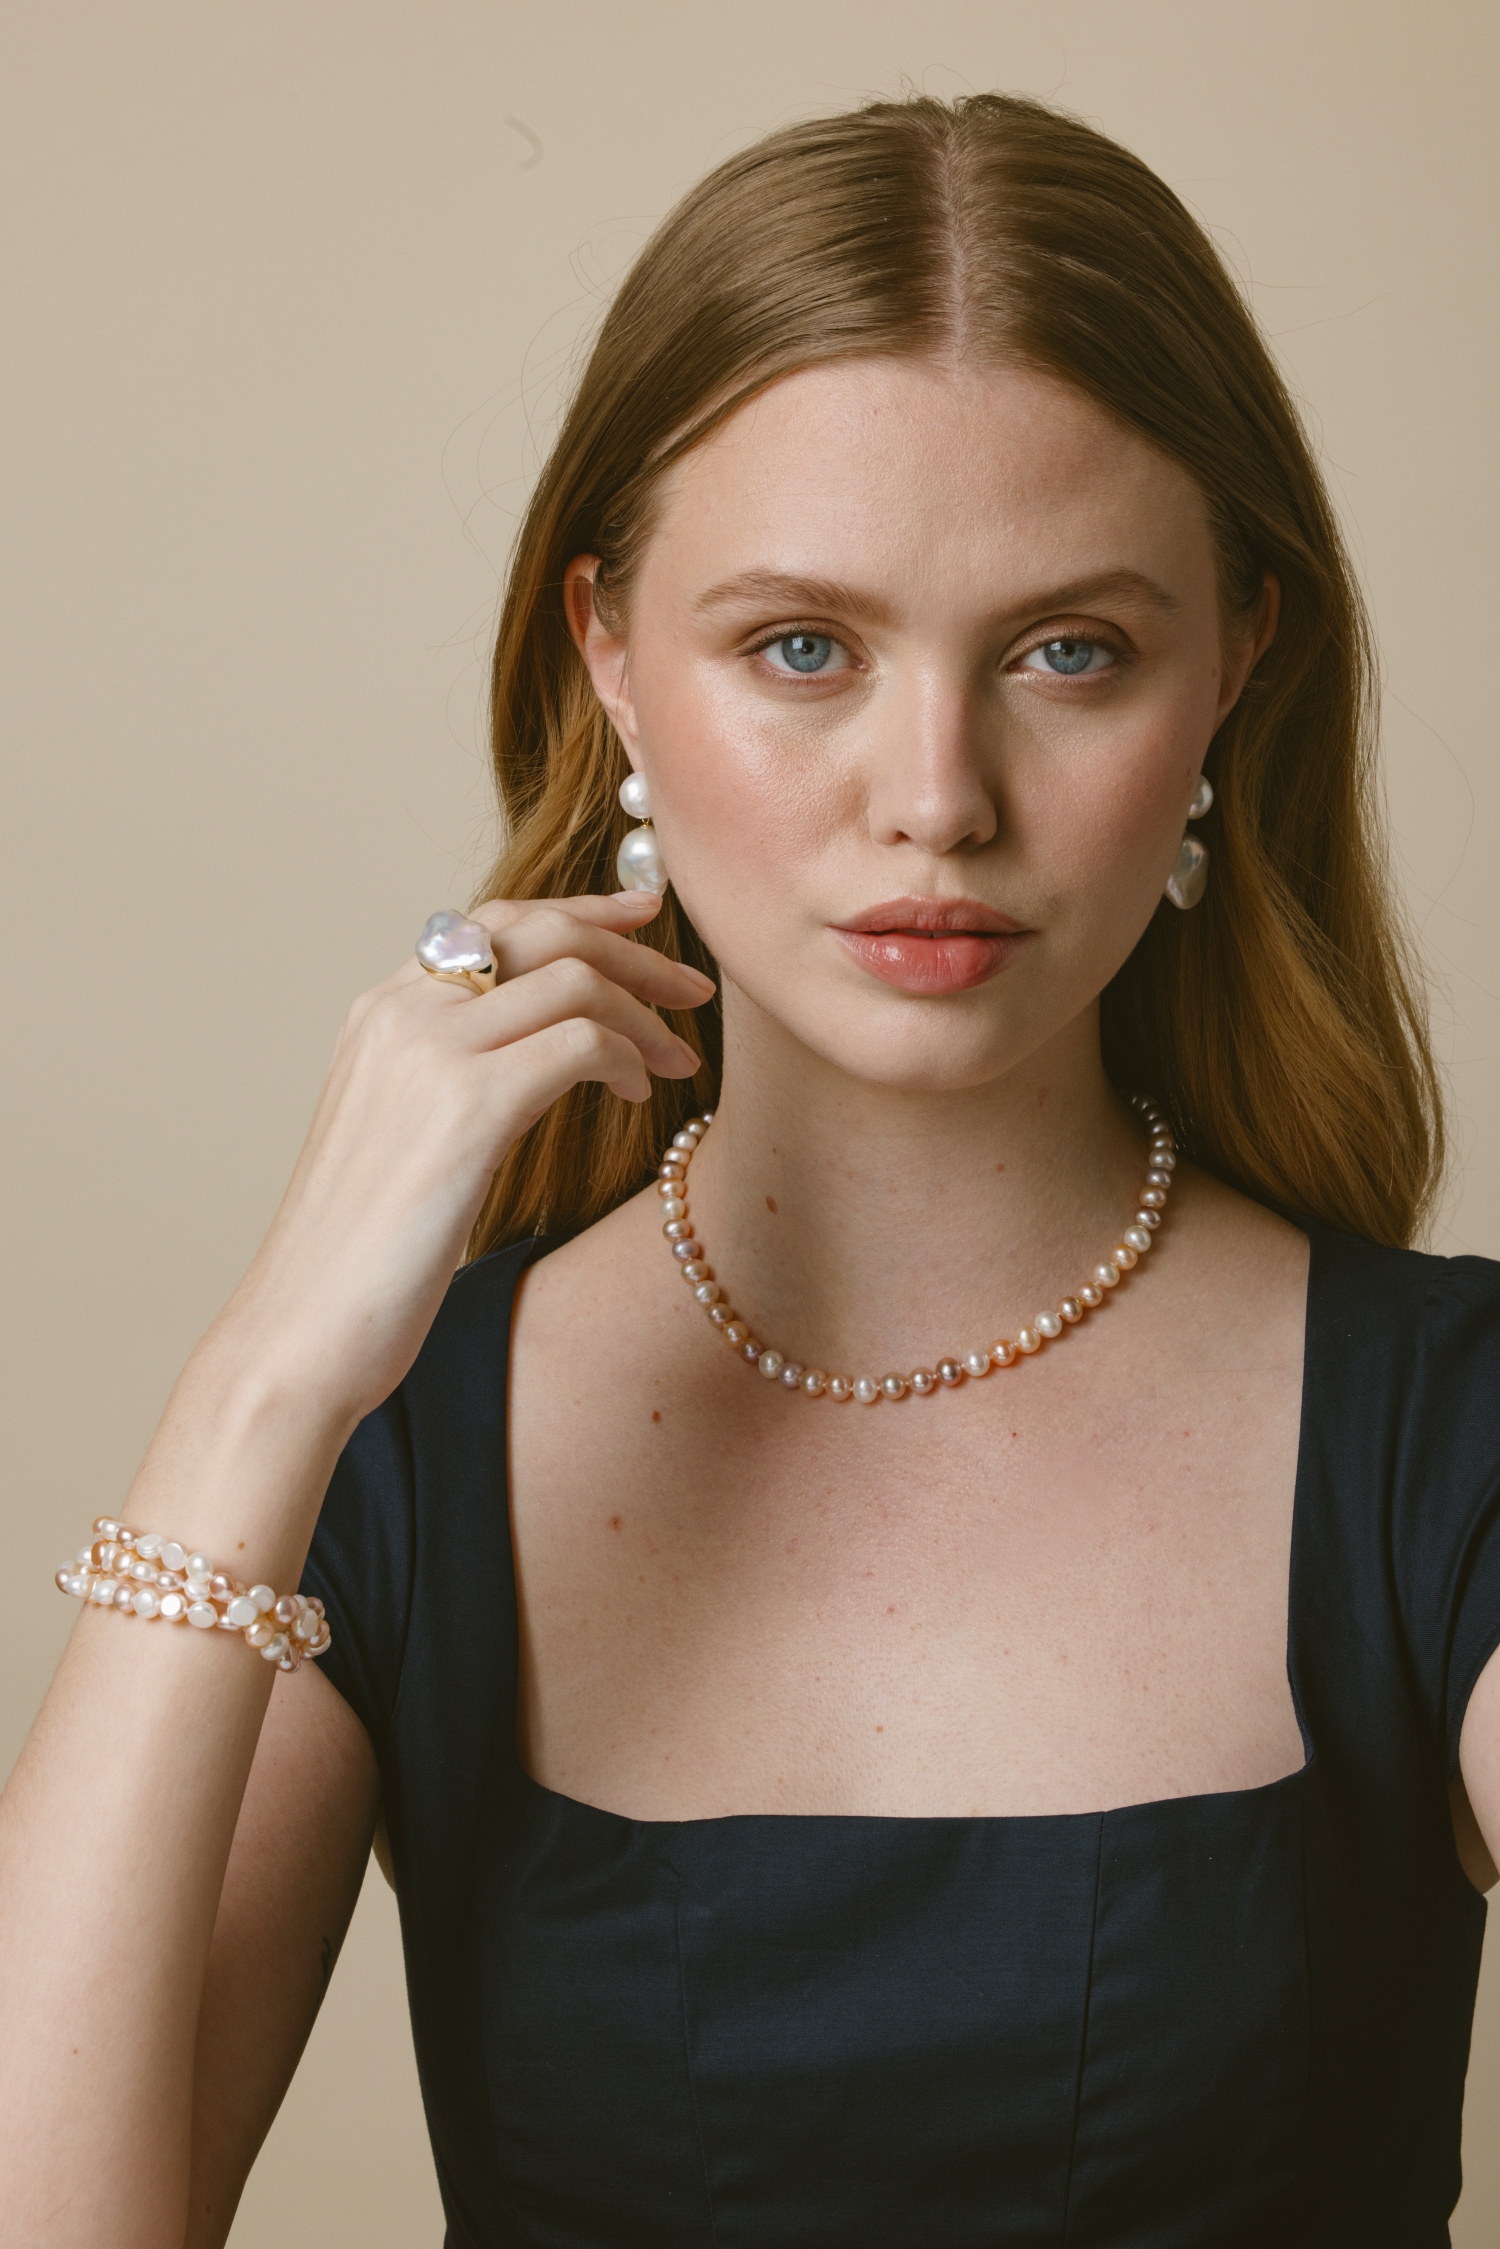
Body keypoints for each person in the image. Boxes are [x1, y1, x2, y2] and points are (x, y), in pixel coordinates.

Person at [2, 88, 1497, 2249]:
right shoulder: (394, 1448)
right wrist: (262, 1387)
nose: (937, 795)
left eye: (1069, 650)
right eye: (805, 647)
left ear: (1234, 664)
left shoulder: (1450, 1435)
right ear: (610, 654)